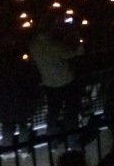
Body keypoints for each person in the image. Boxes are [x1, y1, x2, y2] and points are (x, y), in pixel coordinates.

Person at [29, 14, 84, 148]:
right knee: (71, 111)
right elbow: (74, 52)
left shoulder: (33, 44)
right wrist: (75, 36)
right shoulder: (55, 43)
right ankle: (72, 141)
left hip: (48, 82)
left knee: (53, 112)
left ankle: (52, 140)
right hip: (66, 80)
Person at [0, 31, 41, 149]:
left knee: (7, 124)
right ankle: (24, 148)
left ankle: (7, 149)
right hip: (19, 94)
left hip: (5, 96)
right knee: (23, 122)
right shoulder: (18, 60)